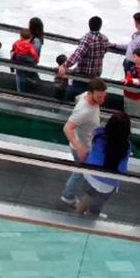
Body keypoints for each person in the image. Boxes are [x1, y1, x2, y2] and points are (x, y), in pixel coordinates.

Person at [59, 78, 107, 206]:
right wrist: (79, 148)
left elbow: (77, 99)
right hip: (83, 148)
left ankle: (72, 195)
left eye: (104, 96)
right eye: (100, 97)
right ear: (90, 93)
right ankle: (68, 196)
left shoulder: (86, 95)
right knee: (79, 173)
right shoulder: (84, 112)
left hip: (86, 143)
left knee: (81, 172)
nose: (103, 100)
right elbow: (67, 128)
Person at [76, 111, 132, 218]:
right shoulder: (126, 146)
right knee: (97, 205)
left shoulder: (98, 137)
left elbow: (97, 132)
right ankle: (91, 217)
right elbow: (122, 168)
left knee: (88, 194)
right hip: (108, 183)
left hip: (90, 174)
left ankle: (76, 216)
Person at [58, 16, 110, 98]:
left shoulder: (87, 39)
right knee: (89, 98)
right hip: (95, 77)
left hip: (82, 76)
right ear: (100, 26)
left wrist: (64, 66)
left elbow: (77, 54)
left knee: (71, 97)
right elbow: (105, 50)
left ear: (89, 25)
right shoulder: (105, 39)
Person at [122, 48, 140, 115]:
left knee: (132, 115)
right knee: (127, 112)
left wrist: (129, 80)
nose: (133, 59)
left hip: (134, 98)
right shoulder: (136, 67)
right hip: (128, 94)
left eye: (135, 56)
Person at [10, 28, 38, 93]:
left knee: (19, 76)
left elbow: (13, 47)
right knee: (25, 74)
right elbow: (34, 54)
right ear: (30, 38)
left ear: (20, 36)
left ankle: (20, 91)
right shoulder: (30, 46)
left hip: (18, 59)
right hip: (26, 60)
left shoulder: (17, 42)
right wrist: (36, 60)